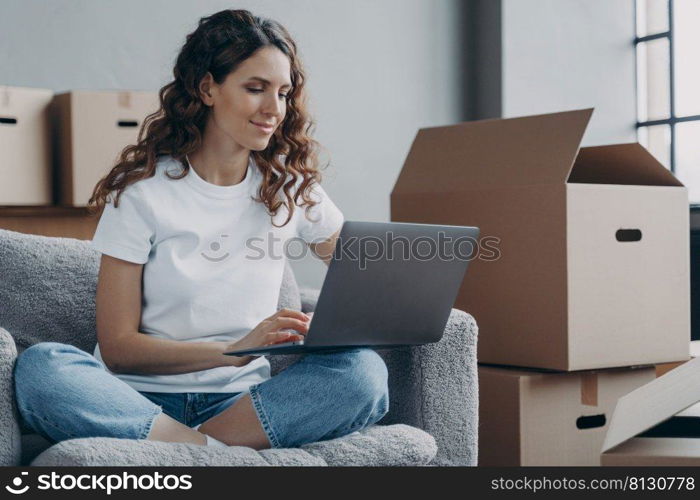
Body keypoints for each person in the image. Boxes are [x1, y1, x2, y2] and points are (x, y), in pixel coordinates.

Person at [13, 9, 388, 450]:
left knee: (362, 372)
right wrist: (236, 350)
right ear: (207, 88)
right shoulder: (142, 193)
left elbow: (366, 281)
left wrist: (330, 325)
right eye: (255, 88)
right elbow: (118, 347)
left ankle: (187, 451)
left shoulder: (292, 191)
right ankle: (213, 453)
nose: (274, 109)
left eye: (283, 93)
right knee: (42, 367)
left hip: (243, 406)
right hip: (136, 399)